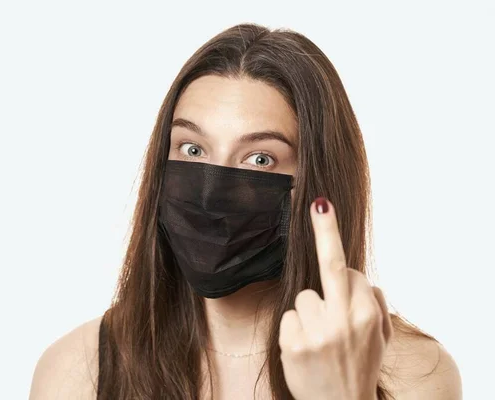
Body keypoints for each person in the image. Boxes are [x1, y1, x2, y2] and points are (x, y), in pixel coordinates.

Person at [29, 23, 462, 400]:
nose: (211, 191)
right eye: (193, 149)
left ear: (318, 184)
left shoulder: (411, 373)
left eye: (259, 159)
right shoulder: (78, 370)